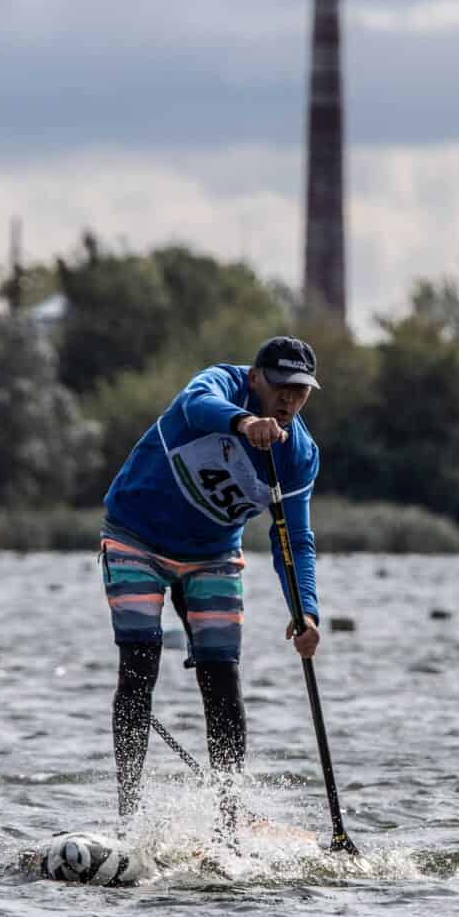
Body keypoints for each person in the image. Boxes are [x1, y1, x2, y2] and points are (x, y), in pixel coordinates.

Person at [99, 334, 323, 833]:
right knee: (139, 662)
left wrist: (305, 612)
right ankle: (128, 819)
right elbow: (196, 405)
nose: (289, 400)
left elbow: (297, 542)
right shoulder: (220, 383)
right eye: (281, 387)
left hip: (213, 555)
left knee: (221, 679)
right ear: (256, 379)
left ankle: (228, 828)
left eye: (301, 391)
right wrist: (244, 422)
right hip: (136, 536)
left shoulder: (299, 456)